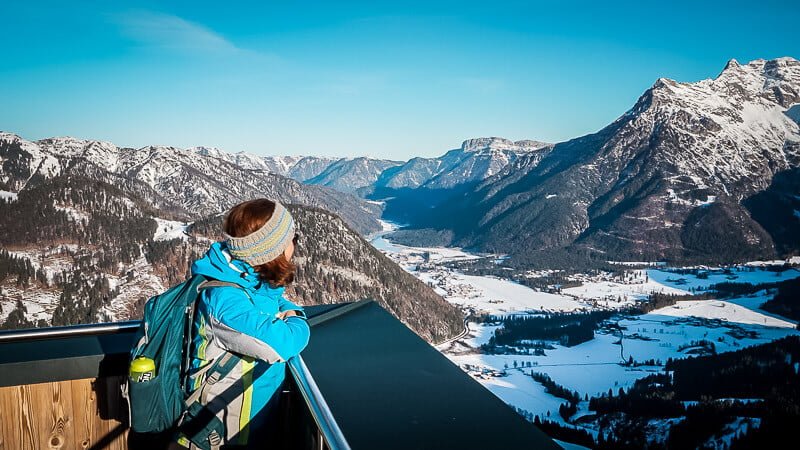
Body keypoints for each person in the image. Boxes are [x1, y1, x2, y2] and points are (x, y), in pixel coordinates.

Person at [175, 198, 310, 449]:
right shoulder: (226, 301)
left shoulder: (245, 277)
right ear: (273, 249)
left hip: (251, 416)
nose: (295, 244)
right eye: (293, 238)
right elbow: (282, 344)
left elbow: (273, 301)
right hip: (224, 430)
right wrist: (299, 319)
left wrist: (289, 311)